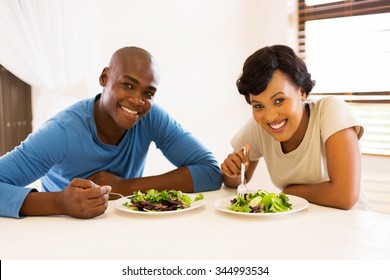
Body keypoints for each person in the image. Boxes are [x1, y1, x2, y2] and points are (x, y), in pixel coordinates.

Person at [0, 46, 222, 219]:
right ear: (105, 78)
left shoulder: (151, 117)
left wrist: (127, 187)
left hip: (123, 233)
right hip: (63, 232)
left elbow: (210, 172)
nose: (137, 100)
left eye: (148, 93)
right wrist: (59, 202)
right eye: (128, 85)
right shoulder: (61, 132)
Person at [221, 45, 365, 210]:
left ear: (302, 91)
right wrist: (232, 171)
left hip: (348, 225)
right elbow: (236, 181)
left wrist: (289, 191)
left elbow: (344, 196)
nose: (270, 116)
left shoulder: (330, 110)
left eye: (279, 100)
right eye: (259, 106)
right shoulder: (260, 126)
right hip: (299, 226)